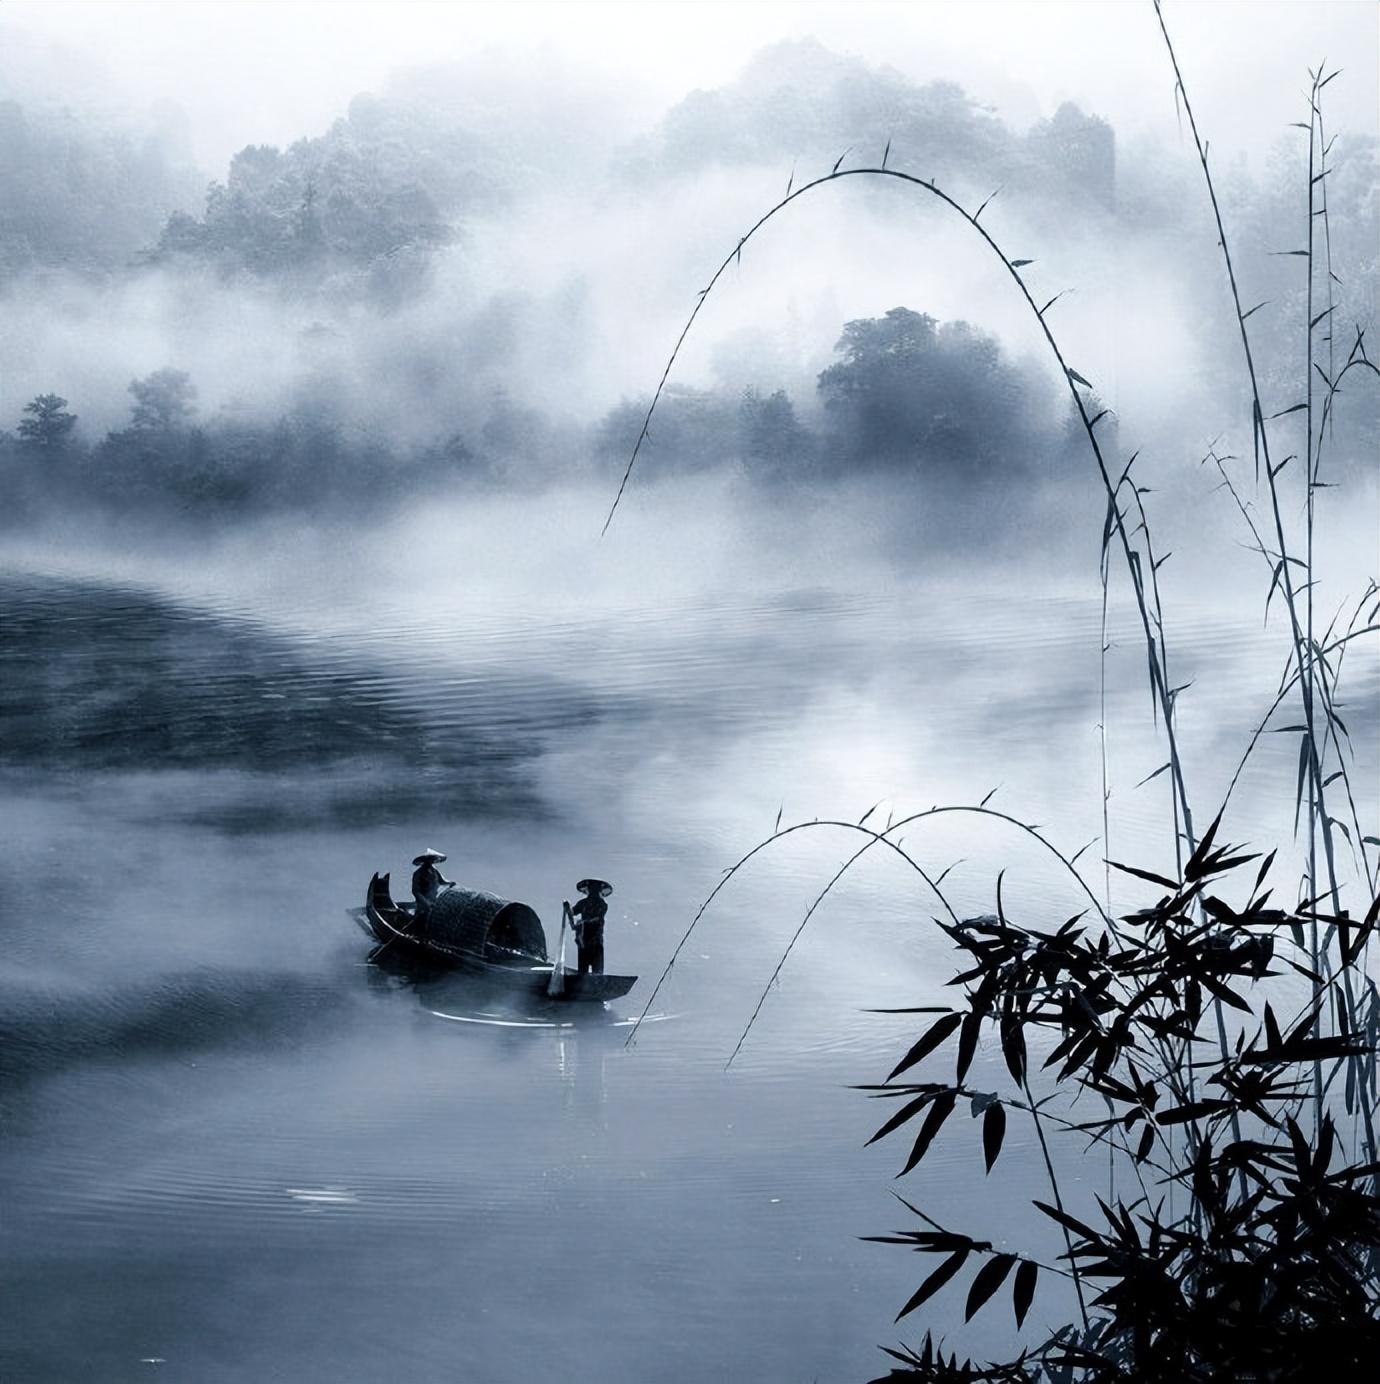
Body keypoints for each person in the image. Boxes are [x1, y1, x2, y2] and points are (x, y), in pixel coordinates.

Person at [570, 877, 612, 975]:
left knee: (596, 968)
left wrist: (581, 923)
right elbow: (572, 912)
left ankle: (595, 979)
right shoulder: (583, 903)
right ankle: (583, 979)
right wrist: (568, 909)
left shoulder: (602, 904)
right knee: (583, 966)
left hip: (595, 938)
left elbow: (598, 918)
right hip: (583, 938)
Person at [411, 848, 455, 923]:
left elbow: (442, 881)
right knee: (422, 921)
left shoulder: (434, 871)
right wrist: (426, 903)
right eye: (429, 860)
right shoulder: (418, 873)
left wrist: (450, 883)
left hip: (433, 900)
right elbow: (416, 891)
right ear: (424, 861)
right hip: (423, 903)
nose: (431, 862)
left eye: (432, 859)